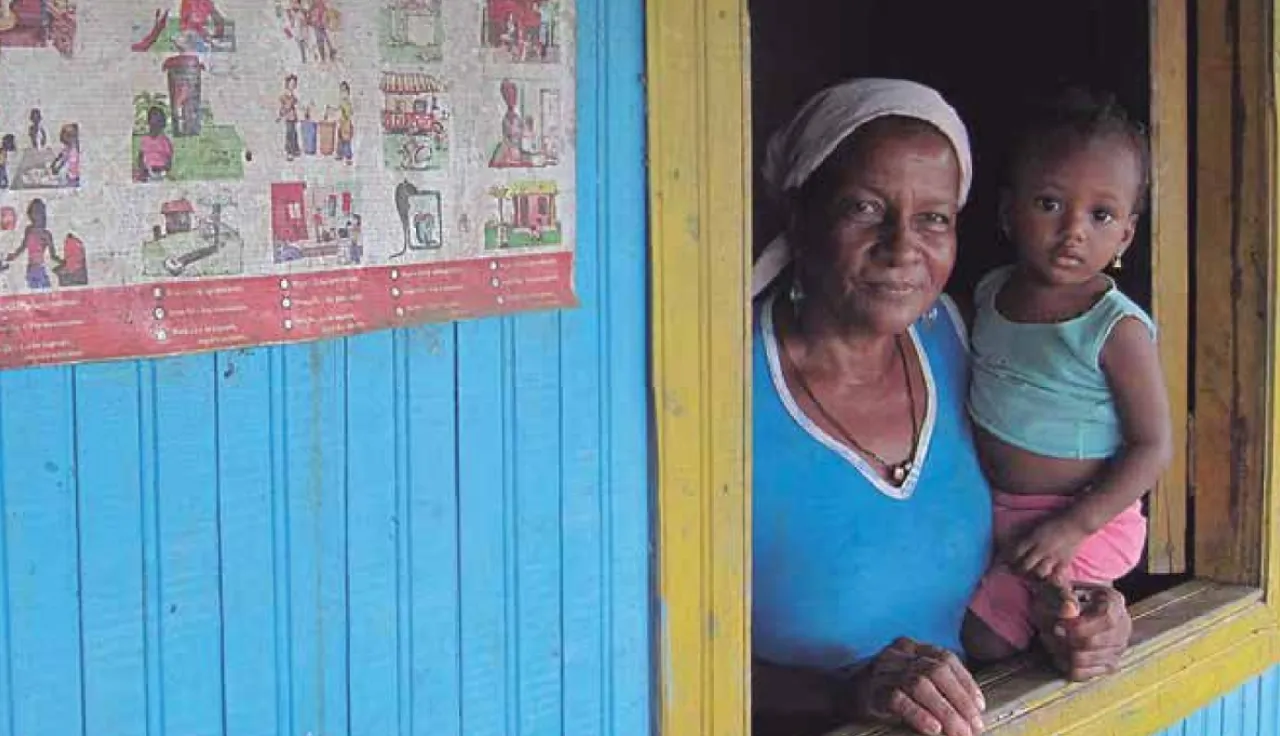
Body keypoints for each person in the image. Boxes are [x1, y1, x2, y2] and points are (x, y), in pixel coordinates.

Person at [751, 78, 1134, 736]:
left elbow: (1040, 508)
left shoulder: (962, 338)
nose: (903, 247)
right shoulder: (715, 389)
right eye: (864, 208)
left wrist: (1077, 612)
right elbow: (644, 649)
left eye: (933, 218)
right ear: (799, 213)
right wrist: (844, 694)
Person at [960, 90, 1172, 663]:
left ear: (1126, 235)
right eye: (1050, 203)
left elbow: (1153, 446)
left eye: (1100, 215)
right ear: (1008, 212)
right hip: (1001, 509)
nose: (1073, 230)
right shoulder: (991, 292)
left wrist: (1075, 525)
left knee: (988, 639)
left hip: (1081, 519)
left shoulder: (1115, 328)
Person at [8, 199, 56, 290]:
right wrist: (13, 256)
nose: (36, 215)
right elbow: (23, 246)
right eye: (34, 212)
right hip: (30, 269)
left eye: (38, 212)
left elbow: (53, 255)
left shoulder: (46, 234)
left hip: (40, 268)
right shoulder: (29, 230)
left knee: (44, 290)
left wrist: (64, 262)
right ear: (30, 214)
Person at [136, 106, 174, 182]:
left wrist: (163, 168)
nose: (155, 126)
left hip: (161, 172)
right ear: (149, 123)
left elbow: (169, 162)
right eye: (153, 123)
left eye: (158, 122)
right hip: (148, 172)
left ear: (162, 124)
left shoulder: (165, 141)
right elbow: (140, 158)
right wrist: (143, 169)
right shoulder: (145, 140)